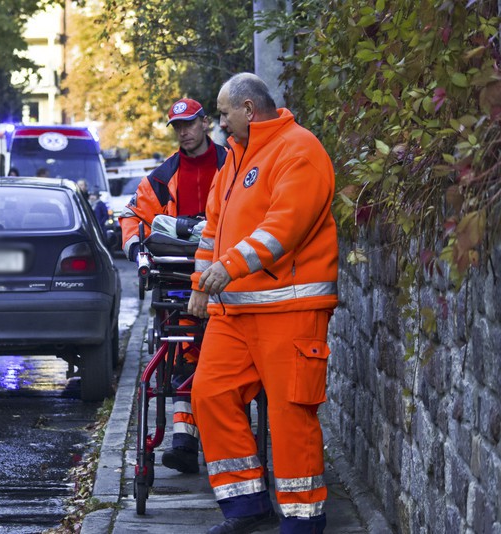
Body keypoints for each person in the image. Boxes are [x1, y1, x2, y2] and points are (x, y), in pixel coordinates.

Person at [187, 73, 338, 533]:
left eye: (224, 112)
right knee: (209, 395)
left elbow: (282, 229)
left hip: (288, 311)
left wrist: (227, 268)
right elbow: (212, 229)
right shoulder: (233, 158)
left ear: (249, 110)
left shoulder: (300, 149)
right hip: (234, 313)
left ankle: (303, 521)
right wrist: (200, 282)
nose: (219, 122)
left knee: (291, 415)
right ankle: (247, 507)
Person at [119, 98, 228, 474]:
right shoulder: (162, 178)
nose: (184, 132)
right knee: (183, 350)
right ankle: (183, 439)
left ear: (206, 123)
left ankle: (208, 439)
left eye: (190, 124)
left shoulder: (233, 165)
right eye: (177, 126)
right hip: (179, 283)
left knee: (219, 356)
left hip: (227, 278)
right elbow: (133, 216)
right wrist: (138, 253)